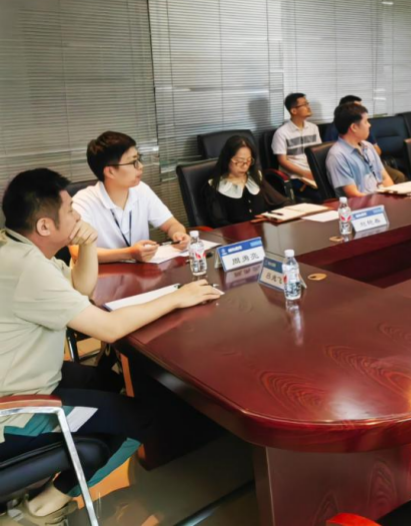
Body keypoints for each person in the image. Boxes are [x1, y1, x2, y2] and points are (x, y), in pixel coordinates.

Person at [0, 169, 221, 525]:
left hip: (30, 376)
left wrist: (88, 244)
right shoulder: (27, 269)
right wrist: (179, 297)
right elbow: (109, 328)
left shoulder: (17, 248)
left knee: (110, 383)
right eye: (70, 210)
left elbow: (81, 289)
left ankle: (85, 448)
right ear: (44, 226)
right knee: (141, 418)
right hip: (15, 410)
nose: (77, 216)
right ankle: (42, 508)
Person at [72, 132, 190, 264]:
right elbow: (77, 251)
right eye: (133, 162)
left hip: (141, 271)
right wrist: (129, 253)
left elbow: (172, 225)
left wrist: (178, 234)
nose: (140, 166)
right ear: (110, 171)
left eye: (139, 159)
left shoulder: (141, 190)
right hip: (104, 274)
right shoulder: (83, 202)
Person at [200, 135, 288, 227]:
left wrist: (269, 217)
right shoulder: (215, 187)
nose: (245, 166)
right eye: (239, 161)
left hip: (263, 230)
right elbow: (219, 223)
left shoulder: (255, 178)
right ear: (227, 159)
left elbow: (282, 202)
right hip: (234, 233)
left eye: (249, 160)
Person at [323, 96, 406, 183]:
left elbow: (377, 151)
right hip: (355, 170)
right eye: (357, 107)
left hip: (371, 166)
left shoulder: (367, 144)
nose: (369, 125)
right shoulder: (336, 148)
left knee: (398, 176)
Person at [326, 102, 394, 197]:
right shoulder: (337, 156)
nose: (369, 125)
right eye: (366, 122)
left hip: (380, 198)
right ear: (354, 127)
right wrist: (381, 200)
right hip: (362, 204)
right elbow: (353, 195)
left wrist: (390, 197)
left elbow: (385, 178)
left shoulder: (368, 146)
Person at [272, 92, 323, 200]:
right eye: (304, 104)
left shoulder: (313, 128)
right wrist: (306, 174)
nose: (308, 107)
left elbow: (318, 154)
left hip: (314, 173)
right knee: (322, 196)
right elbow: (282, 161)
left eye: (308, 103)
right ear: (294, 111)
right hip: (296, 176)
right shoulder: (281, 133)